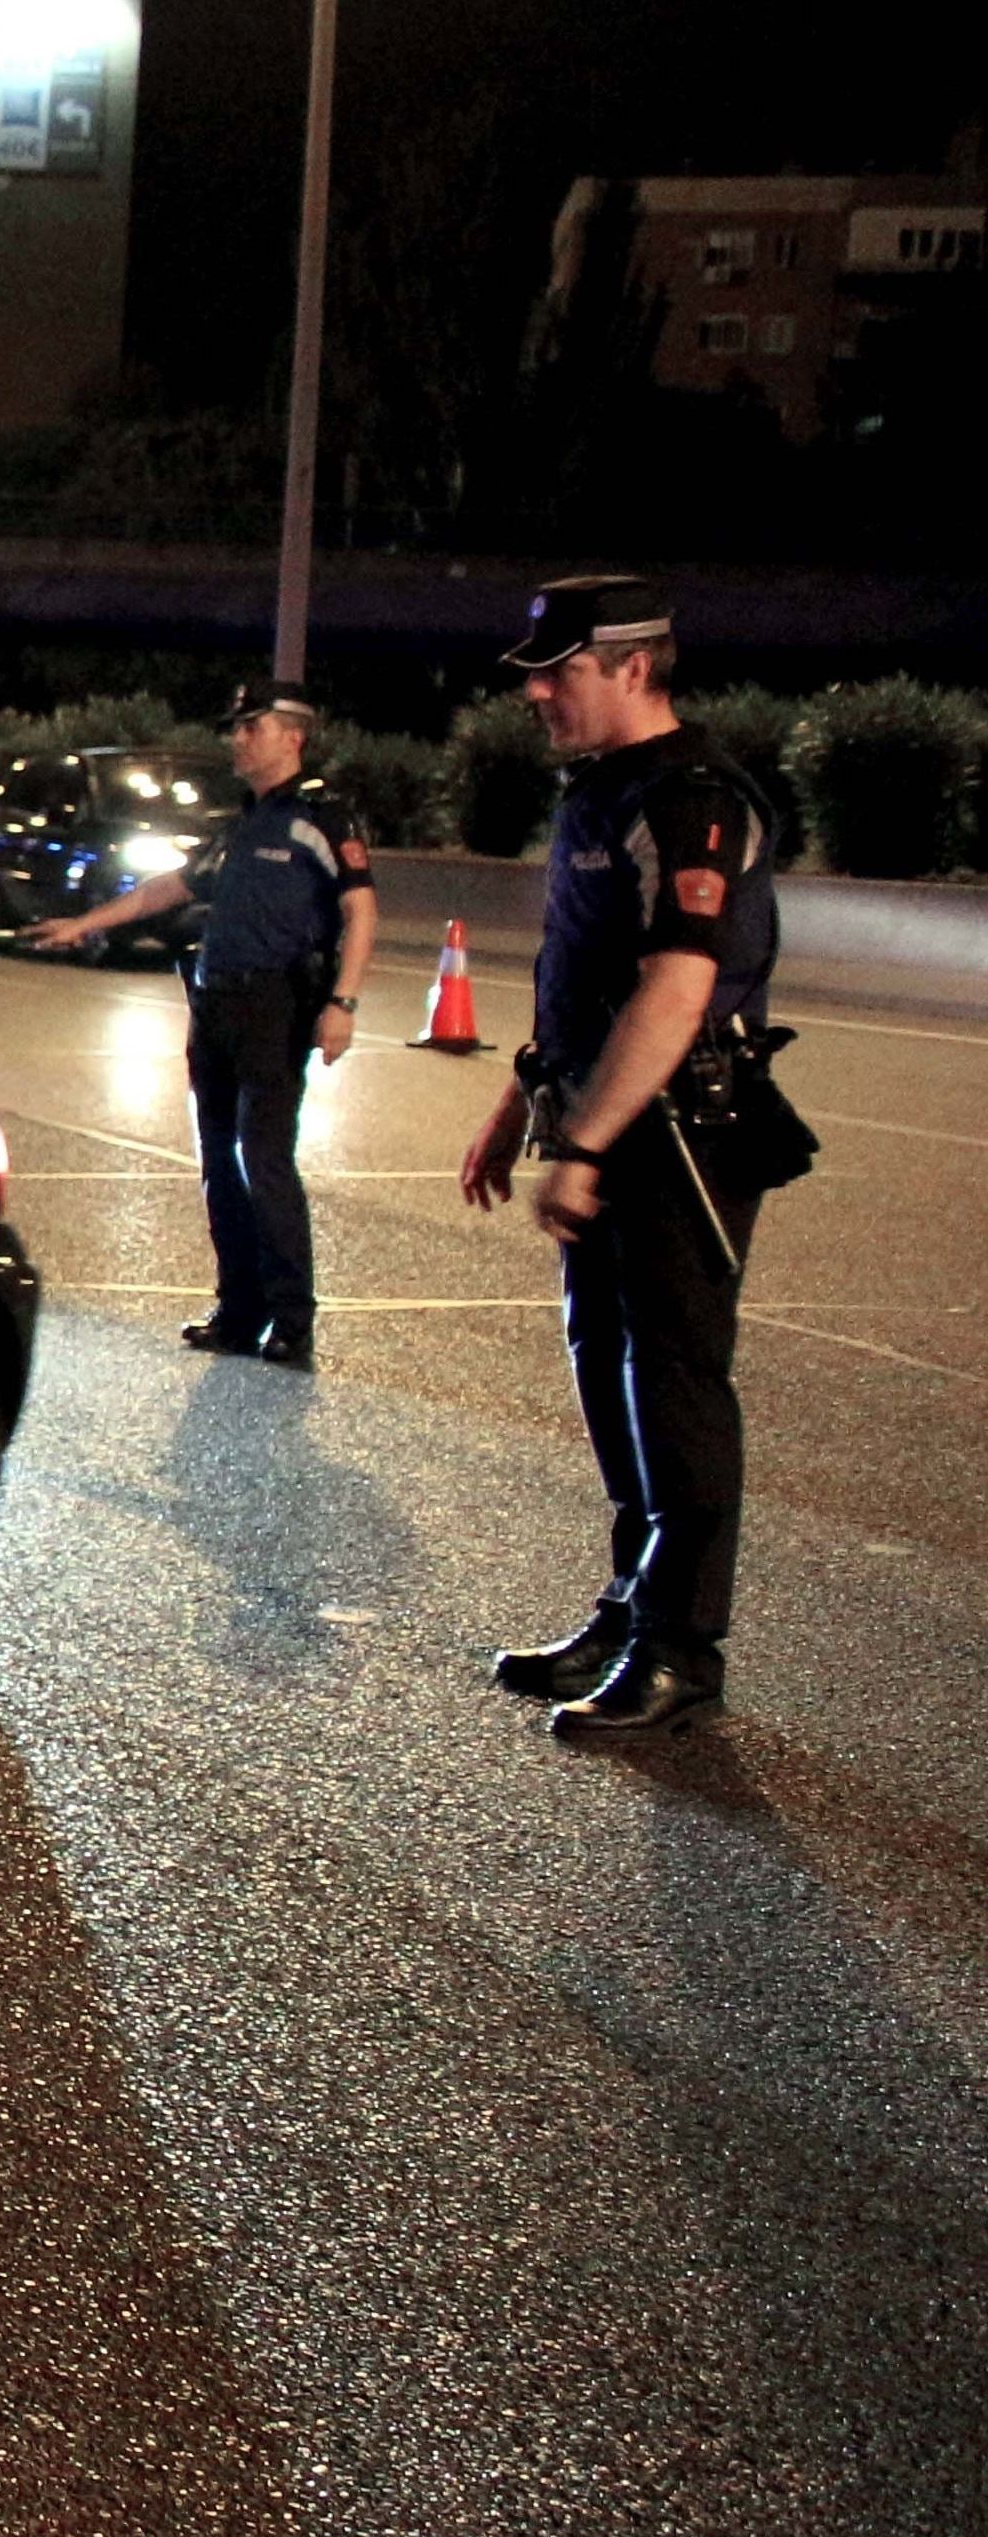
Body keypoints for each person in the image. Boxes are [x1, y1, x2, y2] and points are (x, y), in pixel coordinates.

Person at [457, 575, 783, 1738]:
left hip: (679, 1134)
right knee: (609, 1369)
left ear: (635, 665)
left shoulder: (690, 800)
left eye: (560, 670)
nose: (536, 691)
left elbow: (675, 984)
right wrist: (516, 1102)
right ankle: (628, 1604)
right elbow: (584, 975)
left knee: (674, 1381)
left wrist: (585, 1141)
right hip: (605, 1119)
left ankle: (680, 1647)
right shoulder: (601, 794)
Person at [33, 680, 378, 1365]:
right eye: (235, 727)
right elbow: (172, 887)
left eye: (251, 727)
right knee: (219, 1161)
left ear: (291, 736)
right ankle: (237, 1310)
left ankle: (290, 1319)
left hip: (275, 1006)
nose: (236, 738)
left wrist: (341, 1004)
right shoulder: (241, 822)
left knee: (265, 1160)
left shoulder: (321, 817)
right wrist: (85, 923)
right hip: (214, 1004)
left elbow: (360, 911)